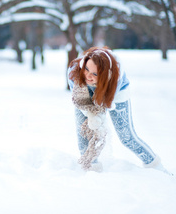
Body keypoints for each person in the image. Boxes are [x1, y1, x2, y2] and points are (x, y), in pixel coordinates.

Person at [67, 46, 170, 174]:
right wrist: (91, 117)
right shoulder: (74, 73)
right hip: (84, 97)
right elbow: (80, 102)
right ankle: (91, 172)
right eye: (86, 69)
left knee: (127, 136)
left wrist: (98, 117)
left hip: (115, 94)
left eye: (94, 74)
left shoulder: (115, 80)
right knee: (84, 134)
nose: (88, 75)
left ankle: (156, 167)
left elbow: (104, 103)